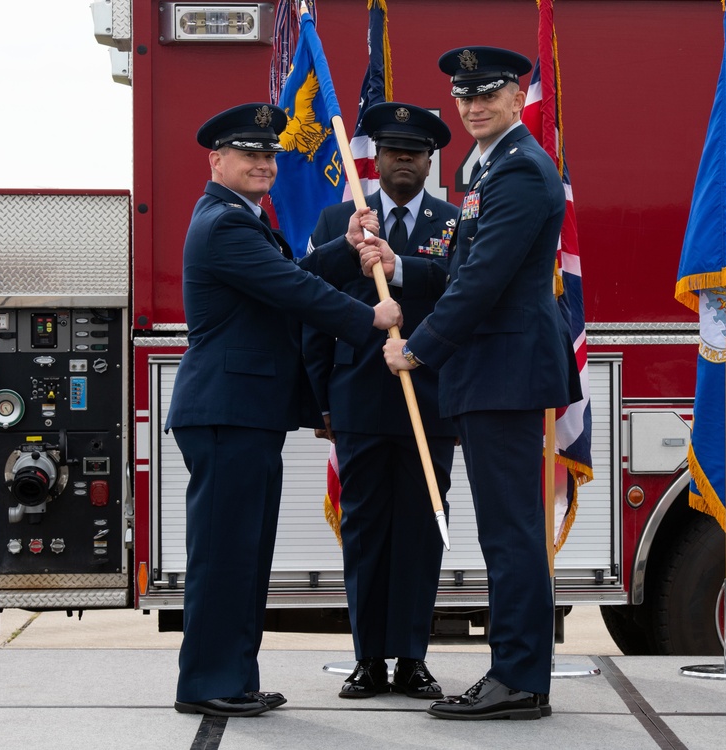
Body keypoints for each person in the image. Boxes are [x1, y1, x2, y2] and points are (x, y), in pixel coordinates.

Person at [166, 102, 402, 718]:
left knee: (243, 552)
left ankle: (234, 677)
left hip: (243, 411)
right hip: (228, 410)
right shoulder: (225, 223)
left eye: (269, 154)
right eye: (248, 154)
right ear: (216, 160)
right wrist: (366, 318)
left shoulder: (237, 218)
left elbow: (285, 271)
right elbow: (291, 289)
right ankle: (209, 682)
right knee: (224, 554)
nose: (263, 163)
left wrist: (340, 246)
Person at [379, 46, 581, 721]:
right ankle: (514, 672)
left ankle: (519, 679)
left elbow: (485, 282)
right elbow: (464, 268)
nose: (472, 106)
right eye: (463, 96)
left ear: (516, 92)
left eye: (487, 93)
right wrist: (399, 266)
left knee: (511, 532)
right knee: (506, 529)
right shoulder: (491, 168)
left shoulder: (520, 171)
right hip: (494, 372)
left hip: (505, 372)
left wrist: (419, 349)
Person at [299, 102, 458, 700]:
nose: (403, 161)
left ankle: (412, 658)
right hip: (358, 398)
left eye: (414, 153)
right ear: (376, 158)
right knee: (364, 531)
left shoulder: (452, 222)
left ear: (429, 161)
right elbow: (315, 310)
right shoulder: (342, 219)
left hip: (432, 401)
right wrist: (321, 405)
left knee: (421, 531)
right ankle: (368, 659)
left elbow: (462, 300)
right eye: (393, 151)